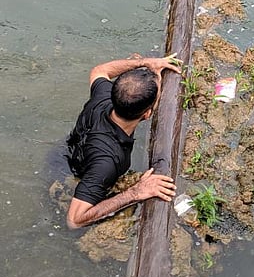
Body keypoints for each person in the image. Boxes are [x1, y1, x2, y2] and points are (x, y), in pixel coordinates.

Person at [65, 55, 181, 229]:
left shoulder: (103, 96)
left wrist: (144, 63)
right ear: (147, 114)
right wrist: (135, 192)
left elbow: (100, 70)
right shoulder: (107, 162)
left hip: (69, 151)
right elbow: (74, 220)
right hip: (70, 176)